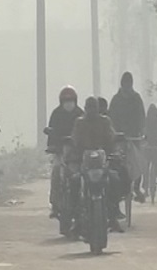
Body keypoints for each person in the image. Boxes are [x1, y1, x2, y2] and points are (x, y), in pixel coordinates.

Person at [72, 96, 122, 232]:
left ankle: (113, 216)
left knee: (115, 179)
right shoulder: (79, 123)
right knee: (74, 182)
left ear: (98, 109)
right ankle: (76, 219)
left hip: (102, 163)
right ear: (85, 108)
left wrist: (114, 152)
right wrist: (75, 154)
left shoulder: (105, 122)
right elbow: (75, 141)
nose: (91, 110)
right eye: (89, 107)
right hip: (85, 163)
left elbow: (112, 139)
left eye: (94, 107)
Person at [108, 71, 147, 204]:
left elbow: (142, 117)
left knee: (138, 161)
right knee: (116, 162)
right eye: (125, 84)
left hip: (134, 136)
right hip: (119, 137)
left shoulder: (136, 98)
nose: (127, 86)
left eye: (129, 84)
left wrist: (142, 131)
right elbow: (110, 119)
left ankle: (137, 187)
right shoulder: (115, 100)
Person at [46, 85, 83, 219]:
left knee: (82, 176)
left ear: (75, 100)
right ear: (61, 101)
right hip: (60, 152)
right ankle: (55, 205)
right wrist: (51, 146)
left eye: (71, 100)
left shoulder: (80, 114)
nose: (68, 103)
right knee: (56, 173)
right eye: (66, 100)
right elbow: (50, 134)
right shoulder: (56, 114)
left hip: (76, 154)